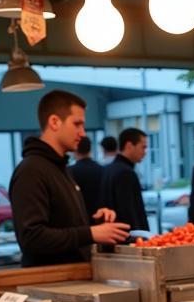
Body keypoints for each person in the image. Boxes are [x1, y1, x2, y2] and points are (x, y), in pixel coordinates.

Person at [8, 90, 130, 267]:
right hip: (50, 283)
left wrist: (95, 224)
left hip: (73, 279)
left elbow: (63, 227)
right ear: (54, 122)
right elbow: (31, 237)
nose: (83, 133)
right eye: (77, 124)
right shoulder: (31, 170)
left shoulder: (61, 168)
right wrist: (90, 233)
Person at [101, 128, 149, 231]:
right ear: (129, 146)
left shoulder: (109, 169)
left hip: (112, 233)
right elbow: (129, 212)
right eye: (143, 147)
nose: (145, 152)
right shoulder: (126, 173)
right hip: (127, 237)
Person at [68, 136, 105, 216]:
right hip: (99, 216)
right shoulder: (103, 170)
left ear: (75, 148)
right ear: (90, 148)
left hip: (78, 217)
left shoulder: (69, 172)